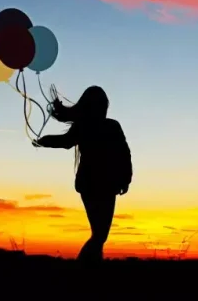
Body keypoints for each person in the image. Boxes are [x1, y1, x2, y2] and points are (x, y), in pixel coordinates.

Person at [33, 85, 132, 264]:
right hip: (100, 184)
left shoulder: (94, 126)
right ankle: (83, 267)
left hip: (98, 184)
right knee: (100, 235)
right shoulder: (104, 126)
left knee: (99, 234)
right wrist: (43, 142)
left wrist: (44, 141)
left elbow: (123, 154)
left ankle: (91, 266)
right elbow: (124, 154)